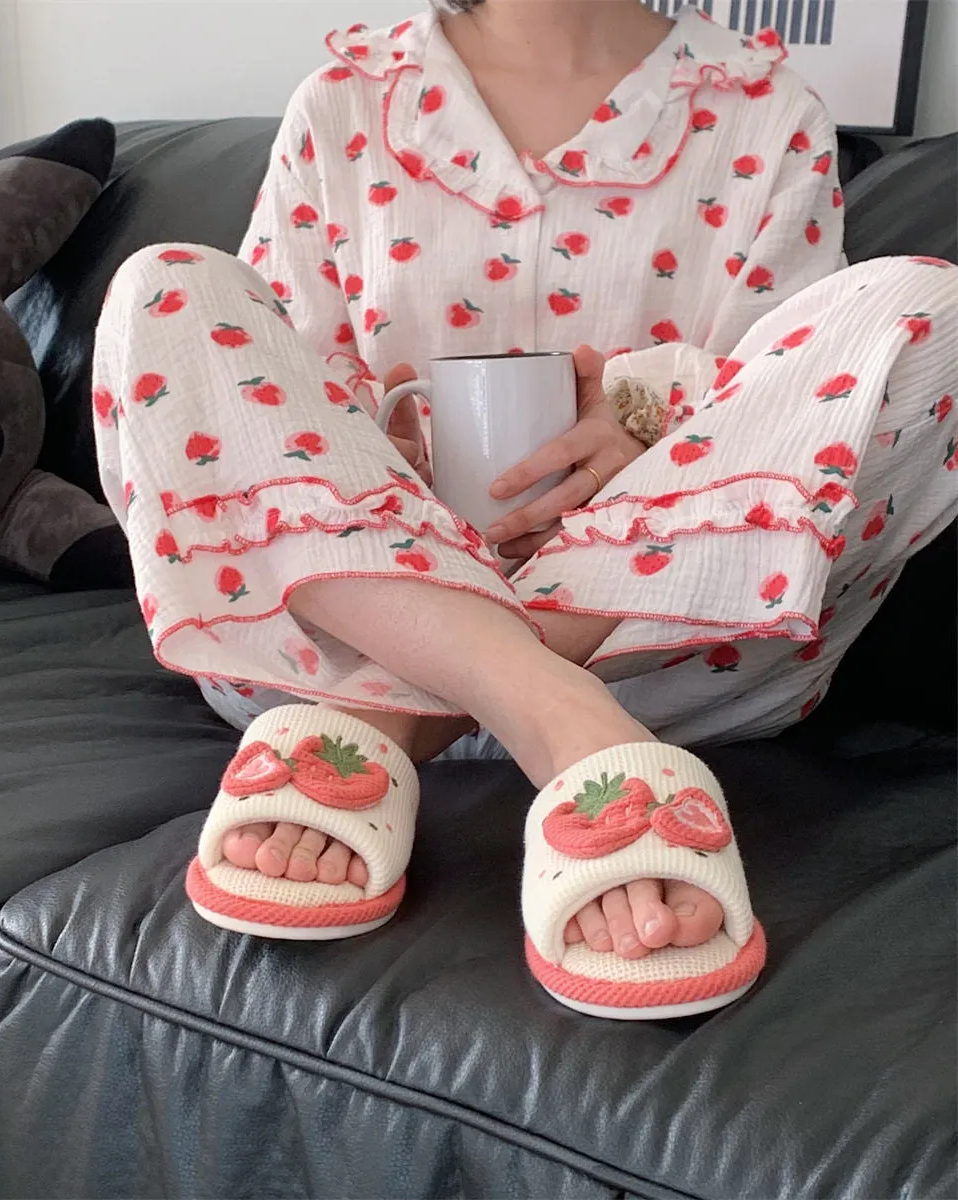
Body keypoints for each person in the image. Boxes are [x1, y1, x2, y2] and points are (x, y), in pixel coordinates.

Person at [92, 0, 957, 1017]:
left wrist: (644, 405)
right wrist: (373, 437)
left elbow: (787, 388)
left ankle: (386, 719)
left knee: (931, 309)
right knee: (166, 287)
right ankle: (565, 727)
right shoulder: (345, 100)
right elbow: (281, 385)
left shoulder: (765, 108)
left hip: (664, 657)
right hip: (342, 626)